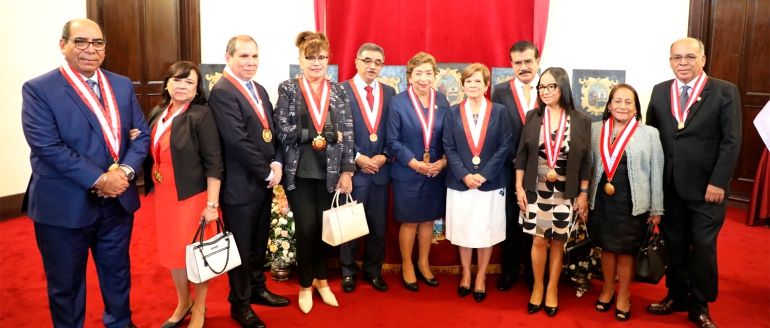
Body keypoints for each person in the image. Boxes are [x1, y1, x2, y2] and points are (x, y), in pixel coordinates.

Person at [21, 18, 149, 328]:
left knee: (118, 275)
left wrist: (126, 173)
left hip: (117, 203)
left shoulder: (121, 84)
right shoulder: (40, 89)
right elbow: (47, 146)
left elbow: (141, 135)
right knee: (66, 286)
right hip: (63, 207)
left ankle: (120, 323)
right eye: (81, 42)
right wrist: (100, 178)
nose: (90, 49)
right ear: (63, 45)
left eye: (98, 43)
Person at [645, 37, 742, 328]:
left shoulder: (725, 91)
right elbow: (652, 137)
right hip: (670, 186)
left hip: (706, 190)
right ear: (670, 61)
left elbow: (731, 141)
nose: (682, 62)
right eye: (676, 57)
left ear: (702, 59)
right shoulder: (660, 91)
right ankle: (676, 295)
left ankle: (699, 305)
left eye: (689, 57)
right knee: (674, 245)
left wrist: (719, 182)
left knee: (702, 247)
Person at [208, 35, 289, 328]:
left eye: (254, 56)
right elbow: (237, 140)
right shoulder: (222, 91)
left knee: (258, 242)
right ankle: (239, 303)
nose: (251, 62)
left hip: (263, 181)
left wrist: (278, 161)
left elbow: (273, 131)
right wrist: (268, 171)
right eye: (244, 56)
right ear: (228, 57)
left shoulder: (258, 88)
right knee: (240, 248)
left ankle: (257, 288)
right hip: (241, 185)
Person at [274, 31, 356, 314]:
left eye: (322, 57)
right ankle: (305, 285)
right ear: (300, 59)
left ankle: (323, 282)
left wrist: (347, 170)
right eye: (311, 57)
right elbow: (282, 131)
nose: (317, 63)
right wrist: (321, 132)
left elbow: (349, 133)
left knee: (324, 230)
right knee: (307, 229)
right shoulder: (288, 89)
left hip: (331, 173)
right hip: (299, 173)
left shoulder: (340, 90)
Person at [141, 61, 222, 328]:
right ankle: (183, 301)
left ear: (197, 89)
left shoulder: (201, 114)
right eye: (177, 80)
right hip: (164, 194)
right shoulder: (158, 112)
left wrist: (212, 204)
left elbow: (214, 162)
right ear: (167, 83)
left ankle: (199, 307)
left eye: (189, 82)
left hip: (192, 194)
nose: (182, 86)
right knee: (174, 252)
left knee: (196, 251)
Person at [514, 67, 592, 317]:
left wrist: (583, 193)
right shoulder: (533, 116)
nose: (545, 91)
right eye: (542, 87)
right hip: (535, 188)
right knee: (538, 240)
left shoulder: (581, 119)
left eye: (551, 86)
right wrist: (519, 188)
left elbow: (586, 161)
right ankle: (537, 286)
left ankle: (552, 289)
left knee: (558, 243)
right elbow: (521, 156)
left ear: (563, 88)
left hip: (565, 190)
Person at [587, 83, 664, 322]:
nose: (622, 106)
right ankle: (608, 288)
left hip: (633, 203)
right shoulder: (594, 129)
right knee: (607, 247)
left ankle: (624, 294)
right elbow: (587, 167)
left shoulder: (649, 133)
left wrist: (656, 208)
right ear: (609, 105)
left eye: (628, 102)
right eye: (617, 101)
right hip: (601, 201)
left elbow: (656, 173)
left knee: (627, 250)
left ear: (636, 107)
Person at [443, 63, 512, 302]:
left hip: (489, 182)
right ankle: (465, 275)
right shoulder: (452, 112)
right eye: (468, 81)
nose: (473, 85)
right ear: (463, 85)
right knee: (463, 229)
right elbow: (448, 147)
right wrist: (464, 174)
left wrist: (484, 174)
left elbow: (505, 146)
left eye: (478, 81)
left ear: (486, 86)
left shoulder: (499, 111)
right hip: (461, 181)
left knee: (485, 230)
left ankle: (481, 276)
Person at [387, 52, 450, 292]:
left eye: (428, 73)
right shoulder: (398, 101)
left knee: (428, 220)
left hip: (435, 172)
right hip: (408, 172)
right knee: (410, 221)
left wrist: (443, 162)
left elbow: (449, 137)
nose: (424, 78)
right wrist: (415, 164)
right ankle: (407, 265)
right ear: (409, 77)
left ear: (435, 76)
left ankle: (423, 263)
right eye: (418, 73)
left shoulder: (442, 100)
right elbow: (393, 141)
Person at [339, 43, 396, 293]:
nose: (373, 66)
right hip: (353, 172)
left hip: (381, 171)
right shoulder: (340, 91)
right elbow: (335, 133)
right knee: (350, 226)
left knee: (377, 227)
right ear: (356, 62)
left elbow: (395, 132)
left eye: (378, 62)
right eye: (368, 60)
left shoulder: (390, 92)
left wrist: (385, 155)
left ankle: (374, 271)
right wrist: (357, 157)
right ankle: (348, 272)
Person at [491, 40, 540, 291]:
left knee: (537, 222)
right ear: (511, 65)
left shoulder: (549, 89)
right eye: (517, 63)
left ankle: (534, 275)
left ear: (537, 62)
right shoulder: (500, 91)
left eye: (528, 61)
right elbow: (494, 129)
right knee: (510, 220)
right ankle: (510, 270)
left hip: (543, 171)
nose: (523, 67)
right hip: (508, 169)